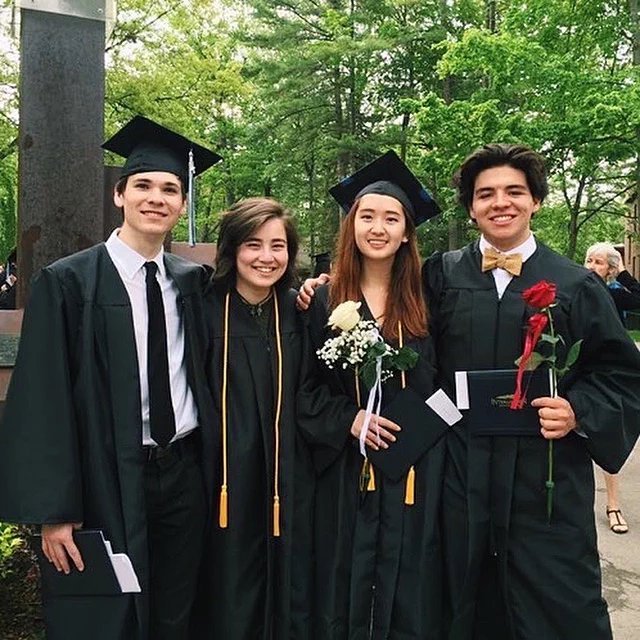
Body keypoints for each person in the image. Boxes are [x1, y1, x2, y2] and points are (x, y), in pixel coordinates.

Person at [0, 115, 221, 640]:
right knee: (107, 612)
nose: (157, 198)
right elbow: (42, 400)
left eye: (171, 189)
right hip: (104, 474)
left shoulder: (194, 283)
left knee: (176, 608)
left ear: (183, 205)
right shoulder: (68, 282)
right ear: (119, 195)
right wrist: (55, 510)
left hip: (185, 472)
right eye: (143, 185)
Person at [423, 143, 640, 639]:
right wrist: (323, 290)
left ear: (536, 201)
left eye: (514, 191)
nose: (501, 203)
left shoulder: (575, 283)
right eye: (486, 194)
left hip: (544, 479)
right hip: (461, 473)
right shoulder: (440, 275)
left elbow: (622, 374)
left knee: (555, 601)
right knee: (459, 595)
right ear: (471, 207)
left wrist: (578, 411)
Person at [191, 197, 355, 640]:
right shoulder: (201, 309)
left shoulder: (301, 311)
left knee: (293, 586)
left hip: (291, 476)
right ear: (231, 250)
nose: (267, 257)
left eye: (278, 246)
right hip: (223, 478)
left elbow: (318, 389)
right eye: (253, 244)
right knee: (227, 586)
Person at [302, 151, 449, 638]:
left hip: (416, 470)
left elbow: (453, 381)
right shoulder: (323, 300)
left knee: (410, 582)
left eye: (392, 218)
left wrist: (428, 432)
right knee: (344, 577)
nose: (378, 228)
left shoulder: (432, 296)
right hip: (347, 471)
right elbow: (303, 389)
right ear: (352, 226)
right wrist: (349, 418)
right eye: (367, 216)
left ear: (408, 231)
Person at [584, 241, 640, 535]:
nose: (593, 266)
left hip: (606, 371)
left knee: (606, 435)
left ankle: (613, 504)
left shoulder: (615, 294)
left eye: (600, 262)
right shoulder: (576, 288)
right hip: (577, 369)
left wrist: (624, 275)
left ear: (610, 269)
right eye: (589, 260)